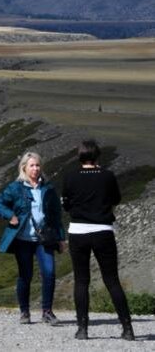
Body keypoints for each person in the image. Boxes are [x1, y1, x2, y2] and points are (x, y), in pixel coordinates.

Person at [62, 139, 134, 341]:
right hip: (103, 231)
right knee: (112, 280)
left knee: (81, 281)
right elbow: (116, 199)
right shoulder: (108, 176)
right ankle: (128, 329)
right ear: (97, 156)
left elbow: (66, 204)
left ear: (79, 156)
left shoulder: (70, 177)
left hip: (78, 231)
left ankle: (82, 329)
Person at [0, 151, 65, 326]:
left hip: (44, 239)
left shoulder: (48, 188)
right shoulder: (15, 188)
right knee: (26, 275)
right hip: (23, 240)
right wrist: (10, 215)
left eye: (38, 165)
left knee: (49, 273)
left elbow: (56, 215)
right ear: (24, 167)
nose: (35, 168)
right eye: (32, 165)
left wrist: (61, 238)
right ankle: (24, 312)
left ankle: (47, 312)